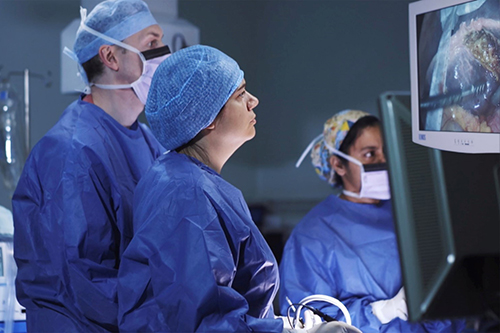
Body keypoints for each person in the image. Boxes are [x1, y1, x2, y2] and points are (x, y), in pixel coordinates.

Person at [117, 45, 361, 333]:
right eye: (240, 94)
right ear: (205, 117)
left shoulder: (186, 179)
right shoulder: (188, 196)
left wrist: (282, 326)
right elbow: (204, 324)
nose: (253, 101)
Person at [12, 0, 169, 331]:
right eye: (152, 44)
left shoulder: (148, 142)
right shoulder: (71, 151)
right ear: (110, 56)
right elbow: (83, 281)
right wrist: (166, 315)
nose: (164, 54)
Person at [278, 110, 467, 332]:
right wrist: (382, 311)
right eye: (370, 154)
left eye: (386, 152)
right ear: (338, 164)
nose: (383, 161)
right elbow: (307, 321)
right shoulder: (311, 236)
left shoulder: (413, 213)